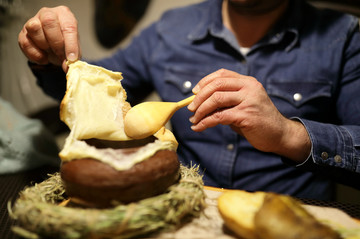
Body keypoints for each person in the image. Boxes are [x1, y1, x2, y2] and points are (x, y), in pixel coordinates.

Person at [18, 0, 360, 200]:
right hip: (184, 212)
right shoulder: (170, 28)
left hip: (288, 218)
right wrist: (55, 60)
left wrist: (288, 135)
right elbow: (97, 93)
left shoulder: (344, 36)